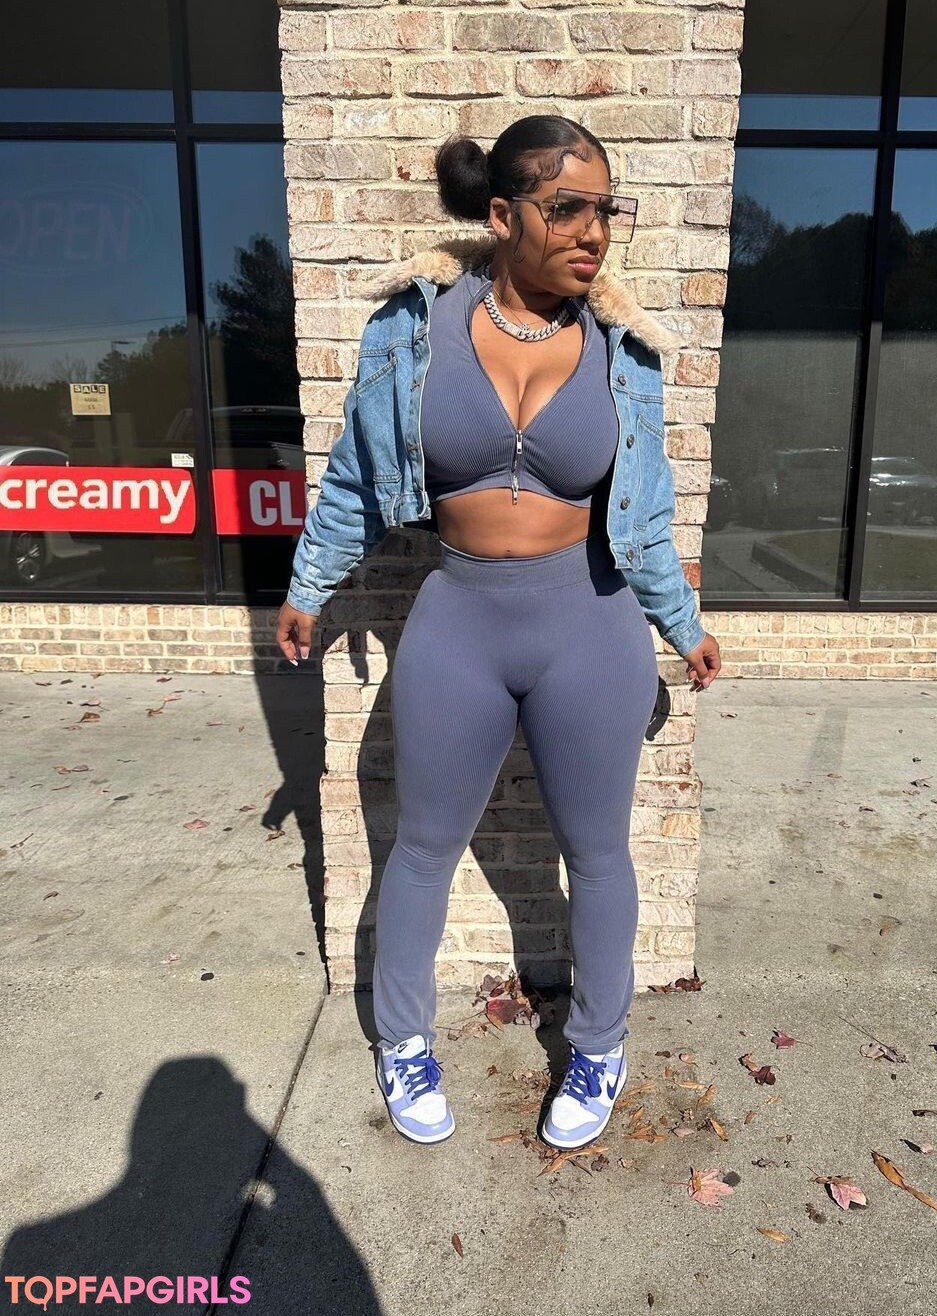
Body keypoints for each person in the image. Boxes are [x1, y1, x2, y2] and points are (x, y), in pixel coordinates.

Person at [276, 114, 722, 1148]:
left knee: (598, 852)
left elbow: (645, 511)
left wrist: (681, 621)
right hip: (459, 618)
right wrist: (309, 586)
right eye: (566, 208)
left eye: (605, 209)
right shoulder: (412, 328)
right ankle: (402, 1039)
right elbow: (355, 479)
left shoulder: (624, 350)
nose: (593, 232)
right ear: (502, 215)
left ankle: (600, 1045)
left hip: (590, 622)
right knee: (422, 844)